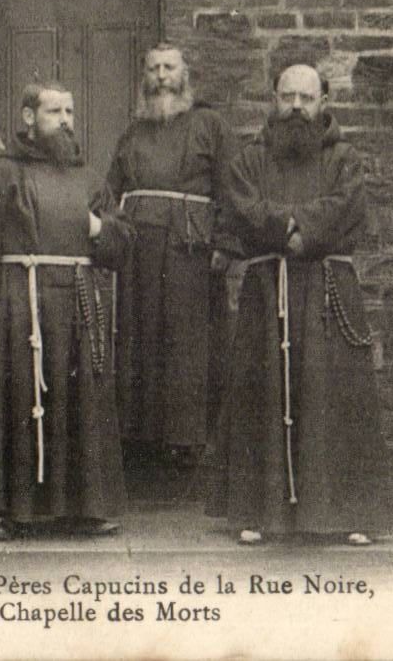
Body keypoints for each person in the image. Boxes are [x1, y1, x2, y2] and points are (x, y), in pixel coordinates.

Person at [207, 62, 393, 545]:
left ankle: (349, 515)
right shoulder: (250, 158)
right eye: (287, 96)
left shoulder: (345, 158)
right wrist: (285, 229)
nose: (295, 107)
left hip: (328, 286)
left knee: (336, 394)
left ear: (323, 102)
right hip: (268, 285)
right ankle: (256, 513)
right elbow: (240, 205)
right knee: (261, 391)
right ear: (273, 98)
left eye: (305, 98)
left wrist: (298, 229)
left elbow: (345, 206)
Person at [0, 82, 132, 540]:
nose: (66, 120)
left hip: (77, 305)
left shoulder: (91, 179)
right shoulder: (1, 175)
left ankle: (86, 508)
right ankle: (8, 510)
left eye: (70, 110)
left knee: (82, 406)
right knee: (14, 403)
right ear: (29, 118)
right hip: (20, 305)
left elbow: (121, 244)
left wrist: (99, 228)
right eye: (55, 111)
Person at [100, 42, 238, 466]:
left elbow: (232, 187)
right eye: (153, 68)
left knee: (187, 343)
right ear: (145, 77)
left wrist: (227, 243)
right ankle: (140, 437)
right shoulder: (134, 132)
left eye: (169, 67)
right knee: (140, 338)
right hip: (139, 251)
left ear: (185, 75)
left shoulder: (209, 124)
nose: (161, 75)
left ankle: (188, 441)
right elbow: (110, 191)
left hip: (188, 249)